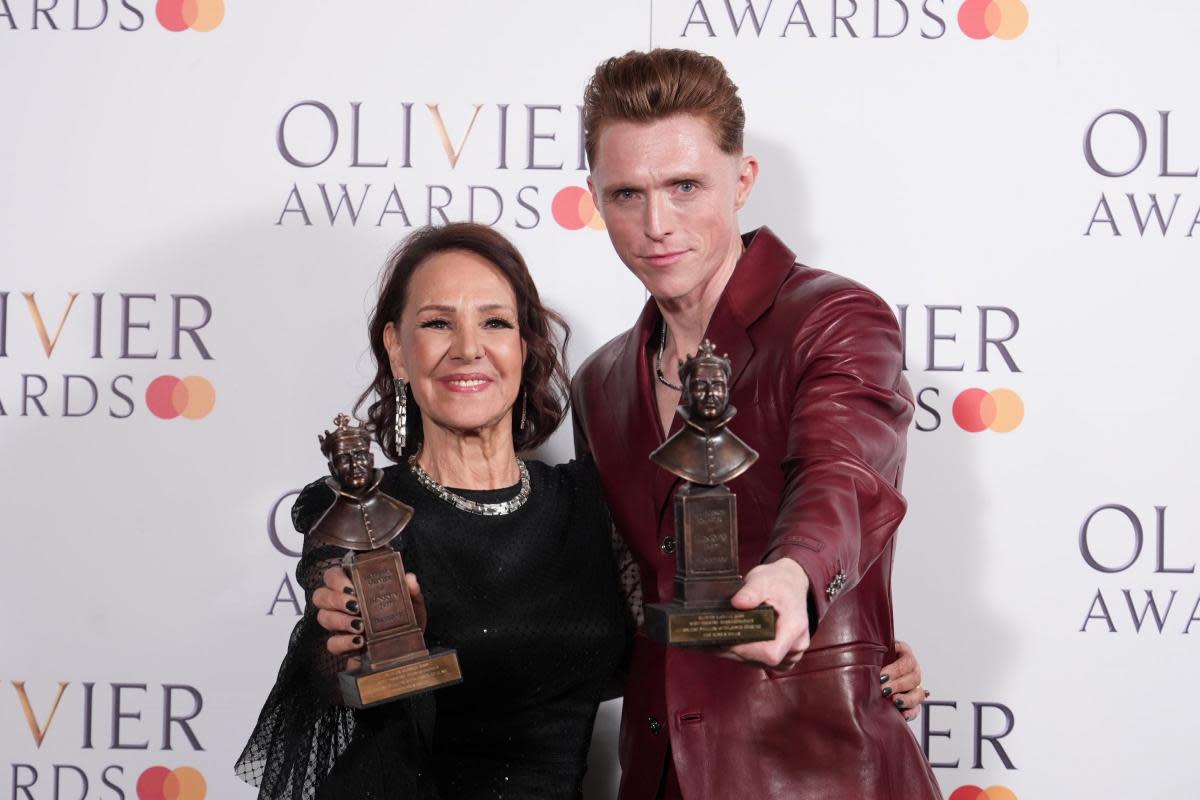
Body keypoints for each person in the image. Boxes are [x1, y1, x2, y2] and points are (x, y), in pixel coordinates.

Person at [570, 48, 942, 799]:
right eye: (626, 195)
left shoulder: (834, 318)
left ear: (742, 181)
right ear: (595, 199)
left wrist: (796, 578)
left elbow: (846, 472)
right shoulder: (600, 383)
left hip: (818, 768)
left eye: (684, 187)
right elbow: (620, 595)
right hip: (658, 774)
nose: (656, 225)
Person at [236, 223, 630, 799]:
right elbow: (332, 666)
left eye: (494, 322)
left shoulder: (588, 501)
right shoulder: (358, 511)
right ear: (397, 349)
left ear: (524, 345)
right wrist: (350, 642)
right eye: (438, 322)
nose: (468, 347)